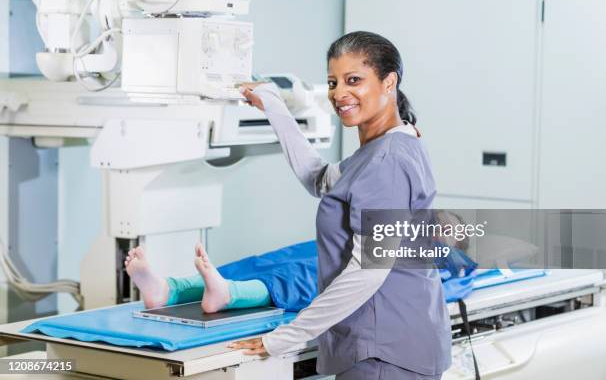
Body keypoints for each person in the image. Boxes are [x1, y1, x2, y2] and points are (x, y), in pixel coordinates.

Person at [126, 31, 452, 379]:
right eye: (332, 82)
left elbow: (366, 272)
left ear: (389, 83)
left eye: (353, 80)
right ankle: (177, 289)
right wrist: (275, 107)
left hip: (385, 350)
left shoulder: (387, 160)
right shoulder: (390, 146)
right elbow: (320, 178)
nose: (339, 93)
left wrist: (281, 339)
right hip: (394, 340)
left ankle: (189, 290)